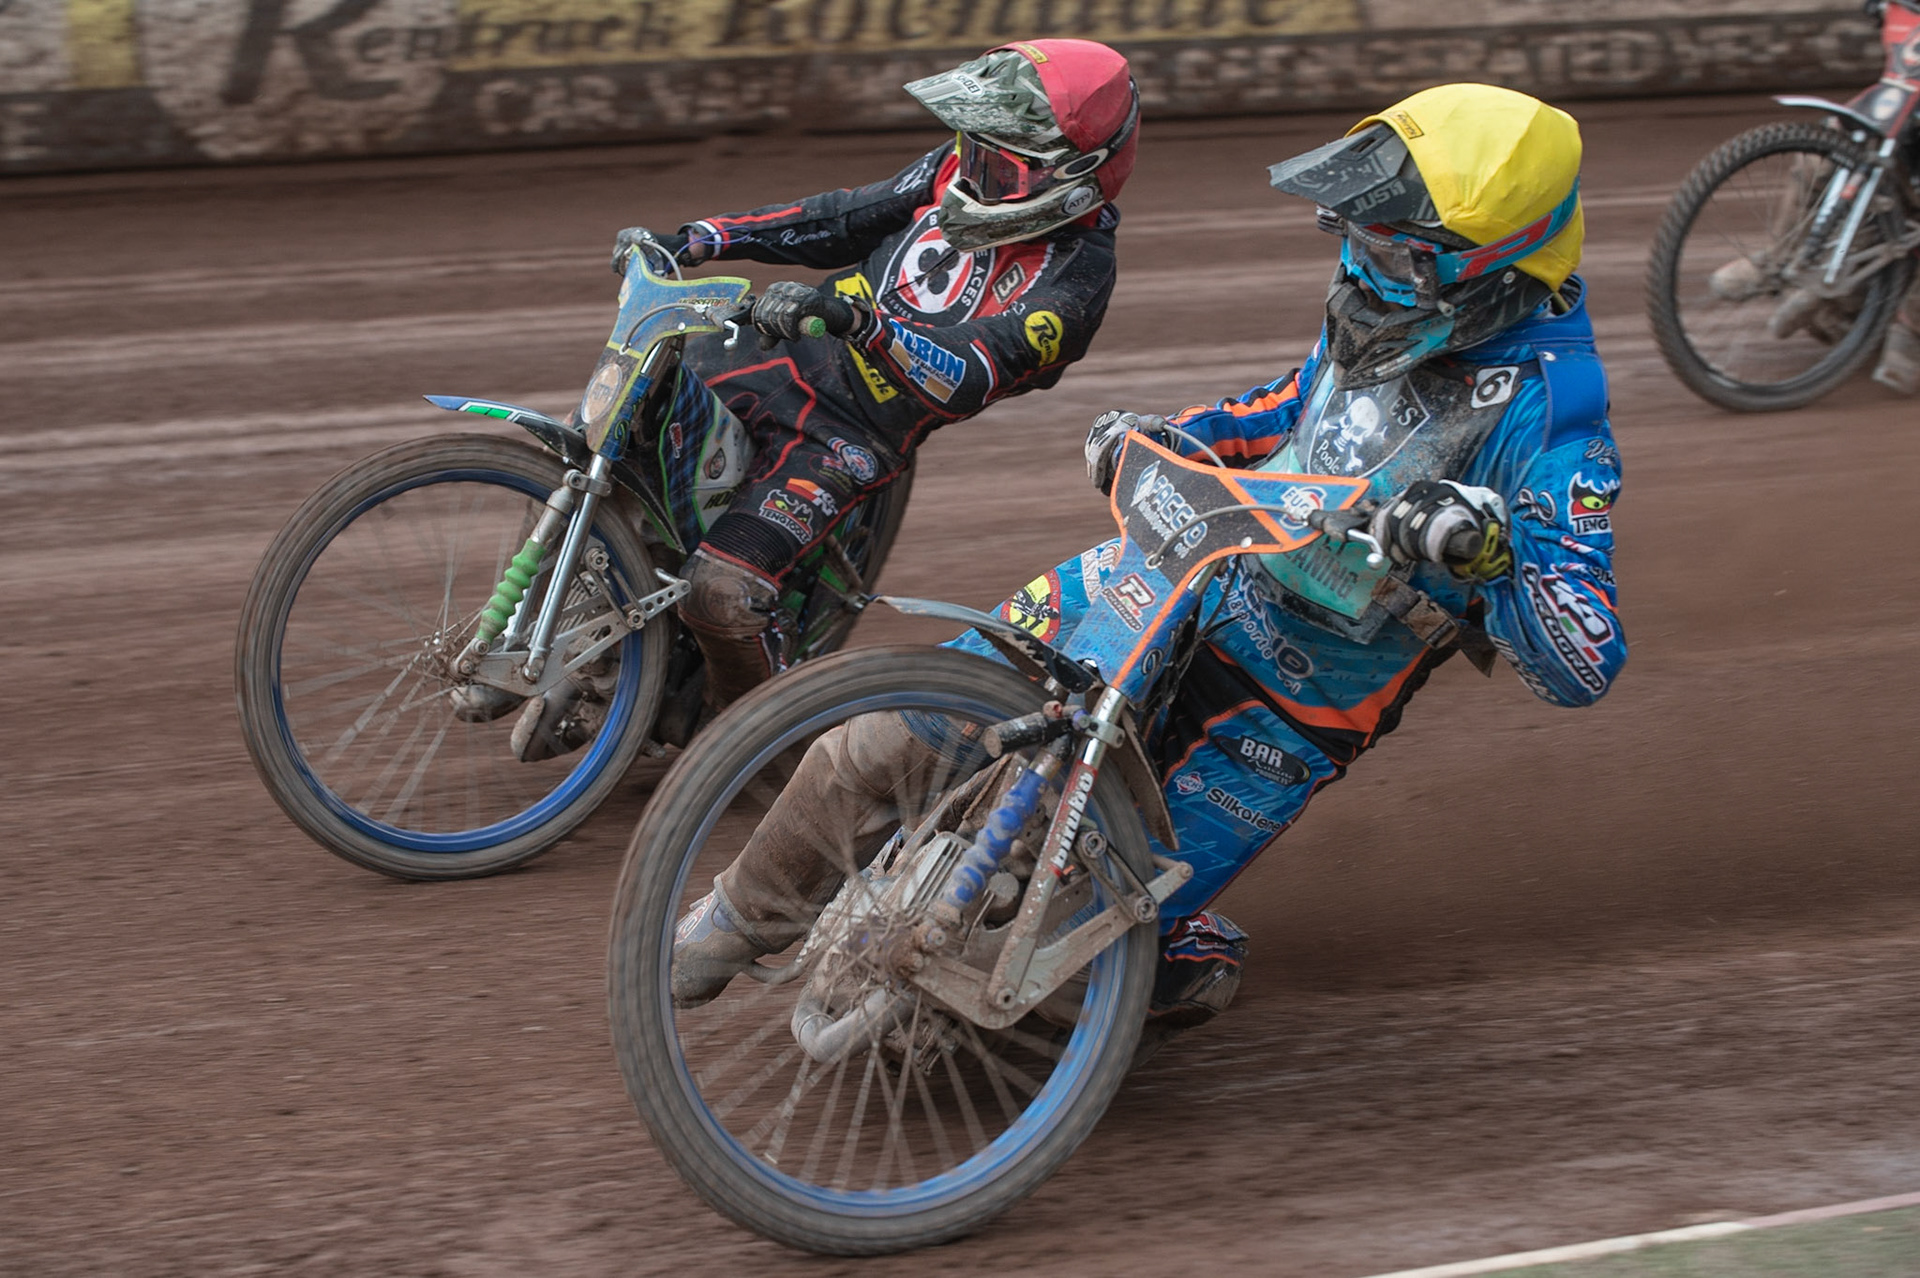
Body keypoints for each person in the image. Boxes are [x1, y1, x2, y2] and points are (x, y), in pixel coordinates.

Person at [671, 84, 1628, 1040]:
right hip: (1182, 568)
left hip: (1293, 699)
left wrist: (1486, 546)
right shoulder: (1392, 310)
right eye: (1357, 233)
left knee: (1030, 975)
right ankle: (730, 918)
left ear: (1487, 265)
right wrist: (1166, 437)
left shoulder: (1557, 424)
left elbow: (1585, 660)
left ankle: (1174, 955)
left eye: (1389, 249)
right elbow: (1288, 413)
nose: (1359, 261)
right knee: (891, 733)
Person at [618, 39, 1138, 714]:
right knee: (616, 419)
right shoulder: (959, 167)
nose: (970, 168)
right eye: (970, 144)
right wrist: (702, 237)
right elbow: (844, 216)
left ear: (1067, 174)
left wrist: (862, 324)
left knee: (719, 592)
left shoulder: (1077, 278)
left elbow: (968, 374)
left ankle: (753, 745)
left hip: (849, 432)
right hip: (764, 349)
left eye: (995, 159)